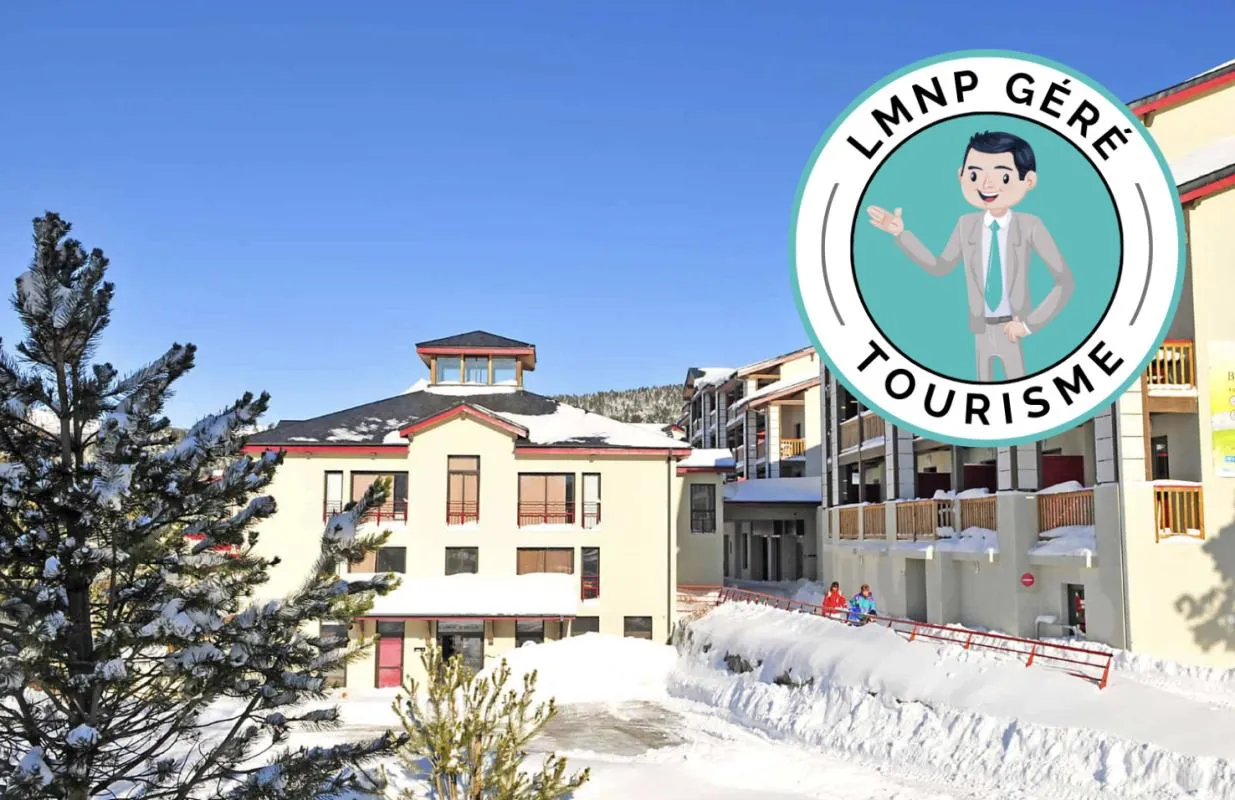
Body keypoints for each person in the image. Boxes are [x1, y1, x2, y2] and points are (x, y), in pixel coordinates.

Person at [866, 130, 1075, 382]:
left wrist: (1029, 325)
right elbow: (940, 266)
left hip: (1013, 328)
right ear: (961, 175)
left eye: (1003, 176)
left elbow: (1064, 280)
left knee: (1018, 390)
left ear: (1028, 180)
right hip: (980, 329)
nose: (986, 185)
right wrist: (901, 234)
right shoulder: (966, 225)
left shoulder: (1030, 225)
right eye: (975, 175)